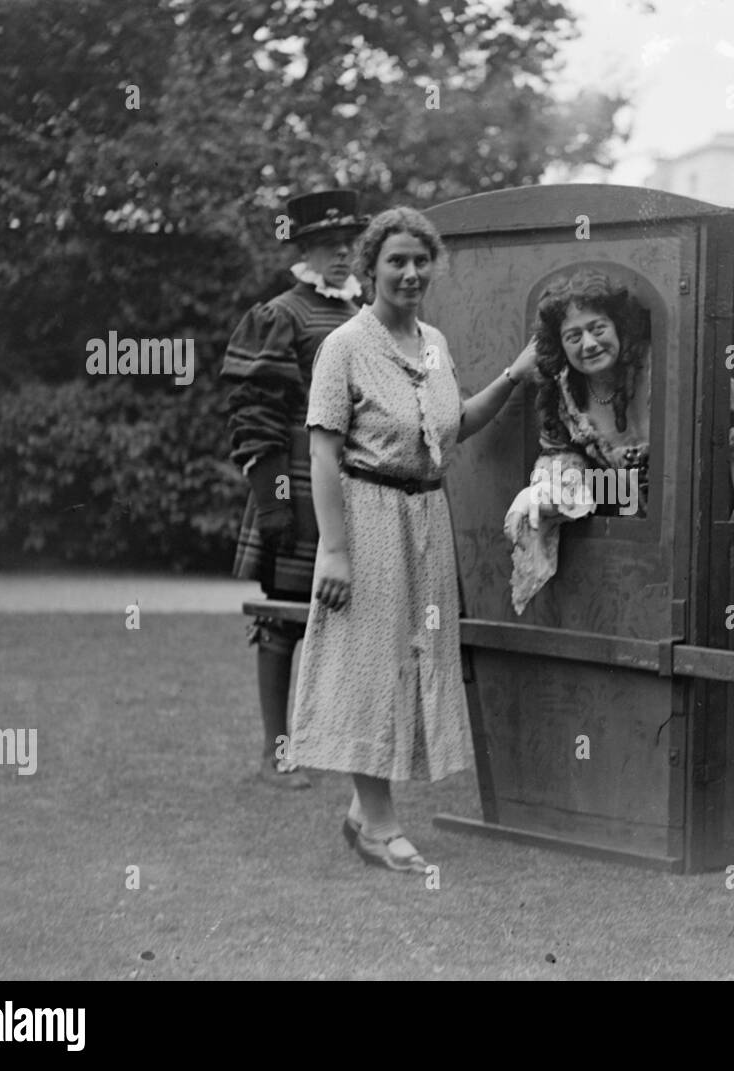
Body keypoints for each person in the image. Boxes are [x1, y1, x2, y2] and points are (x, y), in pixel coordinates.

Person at [288, 206, 539, 872]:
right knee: (372, 666)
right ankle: (380, 826)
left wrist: (516, 374)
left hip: (427, 517)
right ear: (370, 268)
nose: (410, 271)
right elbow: (322, 456)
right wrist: (335, 551)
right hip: (367, 516)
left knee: (414, 660)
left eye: (420, 259)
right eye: (396, 260)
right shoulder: (344, 345)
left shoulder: (433, 342)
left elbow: (456, 425)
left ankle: (360, 809)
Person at [504, 269, 734, 613]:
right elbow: (567, 464)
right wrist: (548, 493)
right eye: (573, 335)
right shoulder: (566, 394)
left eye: (597, 328)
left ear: (618, 326)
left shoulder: (667, 366)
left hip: (696, 535)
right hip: (626, 545)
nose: (588, 344)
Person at [221, 189, 368, 789]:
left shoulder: (366, 314)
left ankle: (332, 742)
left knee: (346, 617)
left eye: (349, 245)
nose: (342, 256)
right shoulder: (283, 313)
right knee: (282, 622)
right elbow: (254, 414)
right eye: (329, 246)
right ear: (304, 247)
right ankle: (273, 752)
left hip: (356, 485)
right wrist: (274, 498)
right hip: (298, 488)